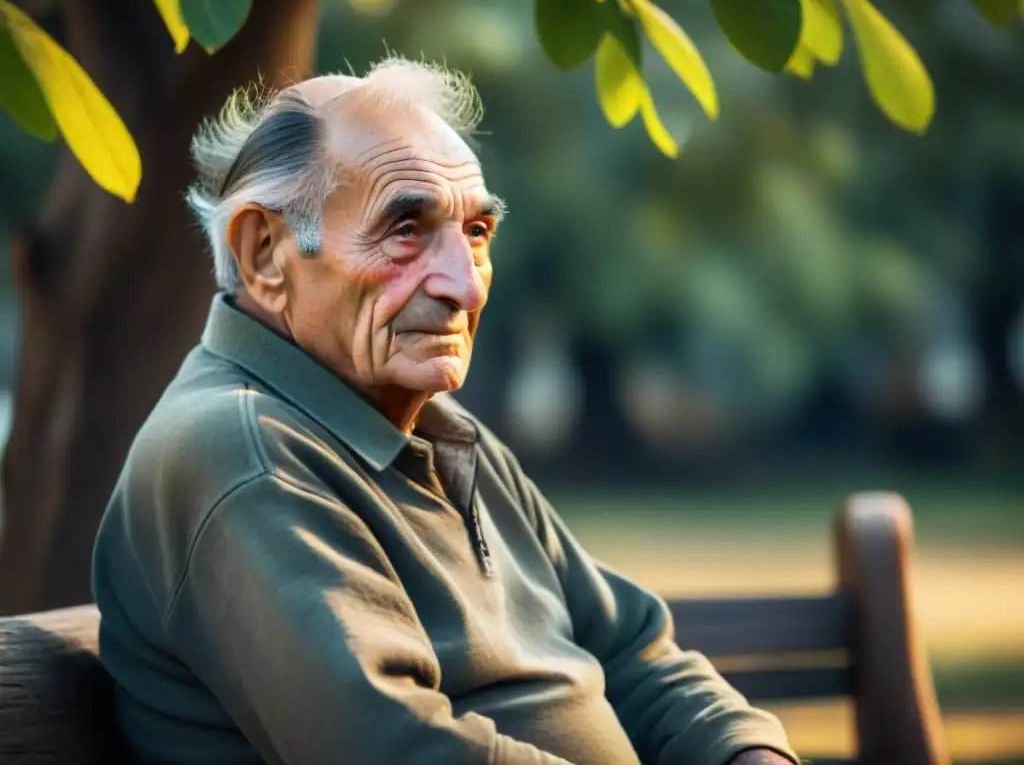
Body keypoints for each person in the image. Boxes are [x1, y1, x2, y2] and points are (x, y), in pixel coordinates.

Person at [92, 58, 798, 765]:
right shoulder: (242, 453)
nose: (465, 286)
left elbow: (633, 653)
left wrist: (745, 754)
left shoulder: (442, 433)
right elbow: (398, 751)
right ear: (266, 252)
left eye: (478, 233)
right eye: (405, 229)